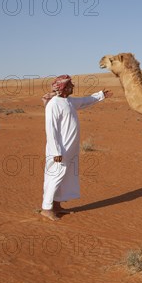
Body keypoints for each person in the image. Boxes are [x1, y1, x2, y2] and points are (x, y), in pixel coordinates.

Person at [40, 75, 112, 221]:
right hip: (60, 150)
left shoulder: (69, 101)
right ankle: (46, 209)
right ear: (63, 88)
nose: (73, 86)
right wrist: (56, 152)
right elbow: (51, 130)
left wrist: (101, 95)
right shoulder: (53, 104)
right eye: (70, 85)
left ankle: (57, 205)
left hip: (69, 149)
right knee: (55, 176)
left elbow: (85, 101)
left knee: (64, 177)